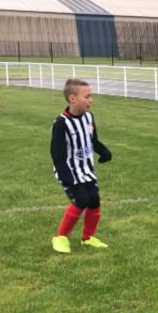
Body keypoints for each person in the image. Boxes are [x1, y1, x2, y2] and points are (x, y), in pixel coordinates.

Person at [50, 78, 113, 253]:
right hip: (69, 170)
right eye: (87, 96)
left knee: (94, 201)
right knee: (82, 200)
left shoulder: (88, 117)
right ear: (72, 99)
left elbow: (93, 140)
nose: (91, 100)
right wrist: (66, 177)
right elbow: (57, 154)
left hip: (86, 169)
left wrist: (104, 151)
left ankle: (88, 238)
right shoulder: (61, 124)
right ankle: (60, 237)